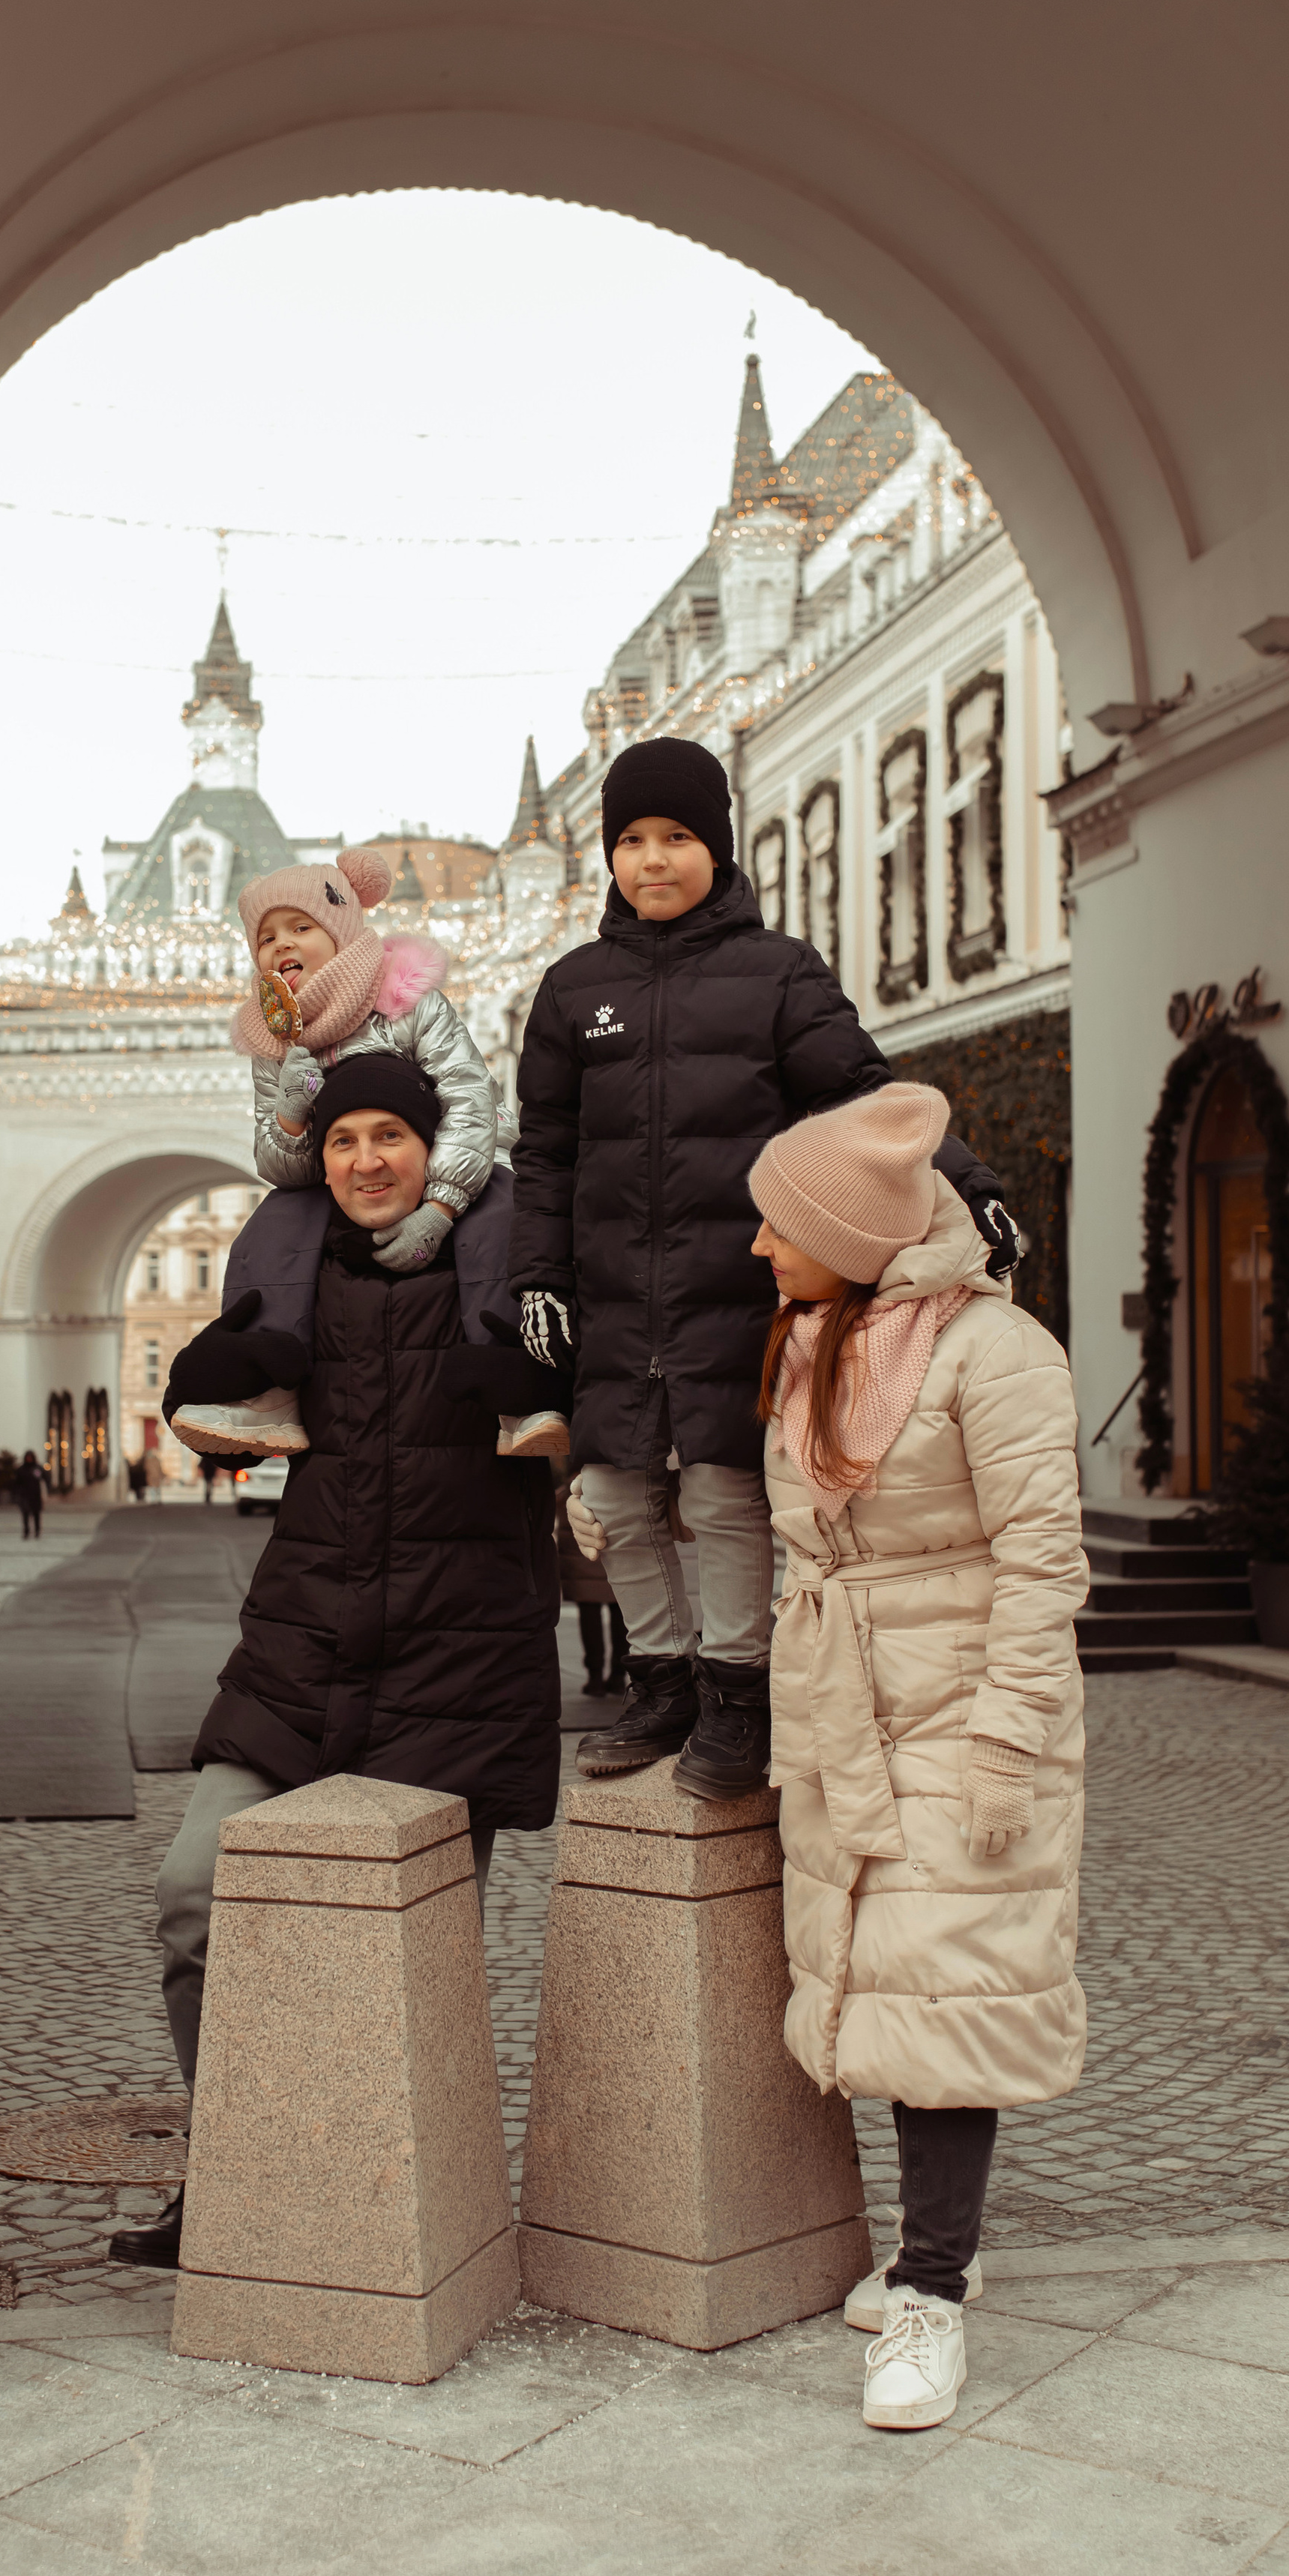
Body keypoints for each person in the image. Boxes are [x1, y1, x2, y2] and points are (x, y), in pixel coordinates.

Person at [111, 1052, 564, 2270]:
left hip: (457, 1661)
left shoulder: (509, 1267)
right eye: (346, 1139)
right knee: (194, 1896)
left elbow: (589, 1388)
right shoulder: (291, 1268)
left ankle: (410, 2206)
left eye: (392, 1138)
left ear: (438, 1149)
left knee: (417, 1955)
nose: (368, 1161)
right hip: (301, 1652)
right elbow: (225, 1403)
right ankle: (235, 2164)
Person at [508, 733, 1017, 1802]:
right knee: (616, 1494)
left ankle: (738, 1691)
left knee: (730, 1493)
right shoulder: (570, 991)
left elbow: (860, 1096)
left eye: (679, 837)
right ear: (608, 854)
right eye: (633, 840)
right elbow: (544, 1153)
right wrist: (536, 1278)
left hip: (737, 1286)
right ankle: (662, 1679)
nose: (654, 860)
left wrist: (963, 1181)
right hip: (610, 1294)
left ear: (718, 847)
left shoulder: (779, 973)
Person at [745, 1082, 1086, 2431]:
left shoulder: (998, 1357)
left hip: (962, 1709)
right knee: (881, 1990)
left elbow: (1042, 1561)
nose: (761, 1247)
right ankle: (937, 2249)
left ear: (857, 1228)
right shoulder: (821, 1339)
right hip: (848, 1710)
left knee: (945, 1992)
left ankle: (933, 2292)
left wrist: (1008, 1741)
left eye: (782, 1226)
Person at [173, 847, 558, 1464]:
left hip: (446, 1162)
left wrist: (441, 1205)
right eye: (266, 936)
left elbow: (469, 1098)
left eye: (301, 927)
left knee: (497, 1218)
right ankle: (267, 1390)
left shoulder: (409, 1002)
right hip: (343, 1185)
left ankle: (518, 1384)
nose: (281, 944)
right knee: (274, 1225)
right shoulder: (276, 1041)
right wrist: (291, 1117)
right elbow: (281, 1166)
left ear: (344, 933)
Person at [554, 1463, 629, 1697]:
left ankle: (594, 1677)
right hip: (615, 1563)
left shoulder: (570, 1489)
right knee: (621, 1617)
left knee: (589, 1620)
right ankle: (618, 1675)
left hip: (583, 1564)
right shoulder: (618, 1482)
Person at [12, 1448, 46, 1538]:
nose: (29, 1459)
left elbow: (46, 1478)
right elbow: (16, 1482)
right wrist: (17, 1494)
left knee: (36, 1515)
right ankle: (26, 1531)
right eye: (28, 1457)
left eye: (30, 1457)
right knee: (25, 1514)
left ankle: (37, 1531)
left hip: (35, 1495)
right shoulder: (22, 1469)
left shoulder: (37, 1468)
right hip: (25, 1496)